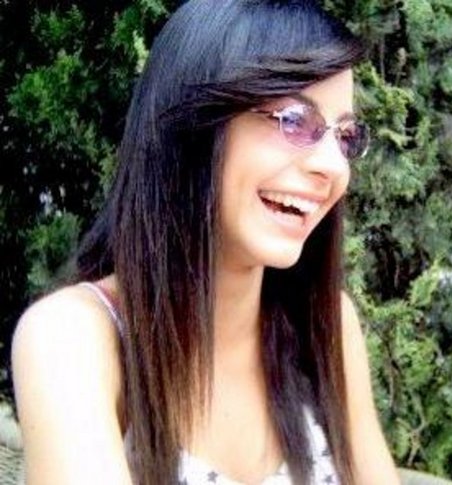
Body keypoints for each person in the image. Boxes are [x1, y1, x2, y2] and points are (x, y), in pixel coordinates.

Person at [11, 1, 400, 484]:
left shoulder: (326, 323)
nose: (334, 166)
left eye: (345, 136)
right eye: (295, 120)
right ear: (193, 126)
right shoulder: (73, 338)